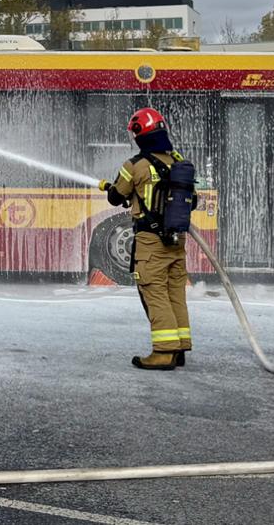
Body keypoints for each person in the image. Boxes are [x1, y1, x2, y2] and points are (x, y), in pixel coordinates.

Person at [99, 107, 191, 370]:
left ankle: (163, 352)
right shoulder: (177, 161)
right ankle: (180, 348)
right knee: (175, 294)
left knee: (155, 292)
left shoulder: (135, 165)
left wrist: (111, 186)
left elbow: (116, 197)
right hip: (177, 240)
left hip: (151, 242)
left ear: (140, 134)